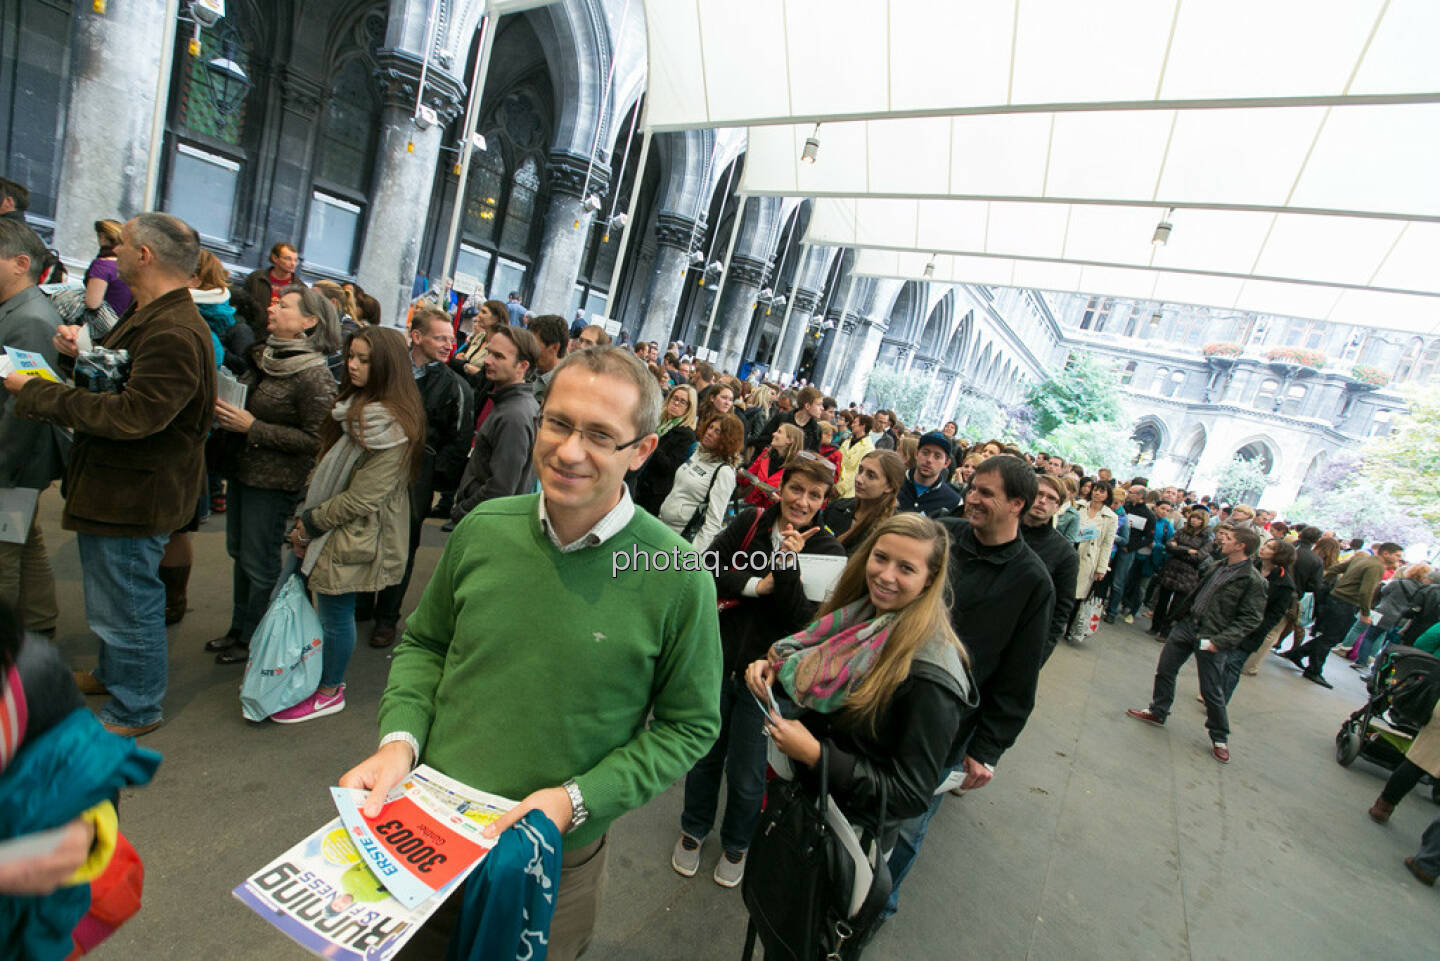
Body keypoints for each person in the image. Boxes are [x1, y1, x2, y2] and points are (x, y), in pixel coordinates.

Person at [339, 345, 722, 961]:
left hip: (550, 868)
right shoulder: (484, 528)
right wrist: (398, 743)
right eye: (560, 423)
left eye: (601, 435)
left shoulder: (676, 576)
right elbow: (427, 644)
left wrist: (575, 801)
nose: (570, 451)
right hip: (420, 831)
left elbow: (689, 726)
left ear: (642, 451)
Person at [5, 212, 215, 737]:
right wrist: (84, 357)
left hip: (135, 491)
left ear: (144, 255)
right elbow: (126, 382)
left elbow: (135, 415)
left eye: (121, 247)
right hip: (122, 486)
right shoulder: (155, 315)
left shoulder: (172, 328)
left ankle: (136, 707)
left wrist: (35, 392)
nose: (111, 256)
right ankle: (114, 676)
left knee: (127, 606)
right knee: (113, 602)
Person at [744, 513, 975, 862]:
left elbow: (910, 794)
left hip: (848, 840)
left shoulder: (931, 675)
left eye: (906, 568)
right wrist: (775, 667)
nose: (886, 575)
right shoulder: (859, 614)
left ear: (930, 580)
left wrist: (817, 756)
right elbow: (814, 665)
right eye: (880, 558)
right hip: (805, 808)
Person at [884, 455, 1053, 917]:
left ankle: (876, 907)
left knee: (907, 826)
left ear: (1018, 504)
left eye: (985, 493)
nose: (971, 499)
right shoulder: (944, 534)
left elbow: (1020, 676)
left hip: (945, 728)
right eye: (971, 488)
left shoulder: (1032, 581)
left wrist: (989, 748)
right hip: (886, 694)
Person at [673, 454, 845, 888]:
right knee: (704, 756)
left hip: (767, 681)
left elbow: (801, 622)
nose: (802, 501)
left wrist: (786, 567)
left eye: (814, 495)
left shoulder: (828, 552)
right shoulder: (750, 520)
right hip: (718, 660)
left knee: (748, 773)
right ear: (781, 487)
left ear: (824, 501)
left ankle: (736, 844)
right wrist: (756, 585)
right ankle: (693, 829)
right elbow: (708, 569)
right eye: (796, 489)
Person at [269, 327, 423, 723]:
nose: (352, 366)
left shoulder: (392, 426)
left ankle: (329, 689)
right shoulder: (354, 406)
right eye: (350, 356)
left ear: (386, 367)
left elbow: (363, 498)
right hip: (330, 525)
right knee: (297, 598)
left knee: (335, 613)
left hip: (355, 532)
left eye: (364, 359)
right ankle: (290, 674)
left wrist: (308, 525)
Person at [208, 286, 340, 664]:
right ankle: (238, 629)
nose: (273, 308)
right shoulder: (268, 356)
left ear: (309, 322)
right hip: (244, 470)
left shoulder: (314, 374)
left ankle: (254, 638)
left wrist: (253, 426)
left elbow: (317, 439)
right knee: (239, 552)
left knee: (259, 561)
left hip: (276, 480)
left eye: (283, 305)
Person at [363, 307, 474, 649]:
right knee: (368, 531)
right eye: (440, 337)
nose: (448, 345)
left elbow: (458, 438)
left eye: (451, 339)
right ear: (417, 337)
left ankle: (387, 617)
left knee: (404, 543)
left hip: (417, 475)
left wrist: (433, 476)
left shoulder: (454, 385)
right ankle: (363, 600)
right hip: (376, 466)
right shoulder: (389, 373)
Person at [1126, 525, 1268, 764]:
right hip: (1187, 626)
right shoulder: (1218, 566)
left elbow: (1251, 619)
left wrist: (1220, 641)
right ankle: (1158, 711)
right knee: (1165, 670)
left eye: (1229, 538)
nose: (1222, 540)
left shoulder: (1252, 580)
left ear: (1241, 546)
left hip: (1212, 637)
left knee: (1212, 689)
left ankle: (1219, 737)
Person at [0, 219, 68, 639]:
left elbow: (26, 404)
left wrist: (3, 465)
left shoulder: (29, 319)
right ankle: (40, 625)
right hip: (16, 461)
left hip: (12, 460)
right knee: (23, 543)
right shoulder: (18, 311)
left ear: (20, 263)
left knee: (4, 556)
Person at [450, 325, 541, 525]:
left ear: (522, 366)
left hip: (485, 523)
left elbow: (500, 488)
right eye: (489, 353)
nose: (488, 360)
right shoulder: (511, 405)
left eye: (499, 356)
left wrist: (462, 512)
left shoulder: (514, 415)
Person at [1283, 542, 1403, 688]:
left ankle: (1298, 654)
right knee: (1332, 637)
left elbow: (1335, 569)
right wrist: (1365, 613)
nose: (1399, 558)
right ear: (1386, 553)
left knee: (1330, 636)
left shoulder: (1362, 559)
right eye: (1397, 555)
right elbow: (1366, 591)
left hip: (1336, 598)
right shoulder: (1376, 566)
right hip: (1346, 603)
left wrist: (1327, 585)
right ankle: (1313, 669)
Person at [658, 412, 745, 552]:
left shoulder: (724, 472)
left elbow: (713, 523)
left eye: (717, 431)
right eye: (710, 427)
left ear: (728, 439)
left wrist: (691, 556)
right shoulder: (698, 453)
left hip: (680, 540)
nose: (709, 432)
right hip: (662, 524)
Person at [1021, 475, 1079, 664]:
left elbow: (1061, 610)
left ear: (1058, 506)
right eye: (1038, 494)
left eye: (1051, 498)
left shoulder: (1065, 554)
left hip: (1024, 639)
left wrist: (1040, 656)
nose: (1043, 501)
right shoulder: (1002, 529)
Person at [1230, 538, 1297, 686]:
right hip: (1230, 621)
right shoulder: (1250, 565)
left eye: (1270, 548)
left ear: (1280, 555)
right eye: (1265, 545)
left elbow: (1274, 615)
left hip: (1252, 630)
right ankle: (1211, 694)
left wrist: (1256, 634)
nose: (1263, 548)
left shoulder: (1284, 583)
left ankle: (1217, 702)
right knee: (1219, 662)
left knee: (1233, 665)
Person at [1065, 479, 1118, 646]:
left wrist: (1102, 568)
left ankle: (1069, 629)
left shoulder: (1110, 517)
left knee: (1078, 596)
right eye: (1095, 489)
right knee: (1062, 589)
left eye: (1102, 491)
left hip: (1089, 558)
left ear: (1107, 495)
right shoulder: (1079, 506)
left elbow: (1107, 544)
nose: (1097, 493)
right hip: (1071, 551)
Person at [822, 449, 904, 555]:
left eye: (871, 476)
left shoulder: (893, 528)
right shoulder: (836, 507)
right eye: (860, 470)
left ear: (890, 486)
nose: (859, 479)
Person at [633, 385, 699, 515]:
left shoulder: (686, 434)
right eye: (674, 398)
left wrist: (652, 442)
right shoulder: (658, 422)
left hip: (654, 491)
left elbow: (670, 467)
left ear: (689, 408)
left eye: (682, 401)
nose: (676, 403)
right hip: (639, 477)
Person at [1149, 507, 1213, 638]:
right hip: (1171, 570)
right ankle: (1155, 626)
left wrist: (1178, 549)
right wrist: (1187, 550)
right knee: (1162, 601)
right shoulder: (1182, 531)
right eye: (1193, 517)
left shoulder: (1206, 539)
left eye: (1198, 519)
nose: (1194, 520)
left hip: (1188, 575)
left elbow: (1199, 557)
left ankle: (1165, 632)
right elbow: (1169, 546)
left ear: (1203, 521)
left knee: (1176, 606)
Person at [1104, 484, 1156, 624]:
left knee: (1118, 582)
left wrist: (1130, 547)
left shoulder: (1149, 515)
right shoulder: (1124, 508)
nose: (1128, 494)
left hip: (1127, 551)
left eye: (1131, 492)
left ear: (1140, 496)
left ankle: (1112, 611)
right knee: (1105, 576)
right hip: (1112, 546)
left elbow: (1149, 538)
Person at [238, 242, 304, 335]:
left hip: (280, 336)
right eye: (288, 259)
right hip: (254, 332)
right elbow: (243, 305)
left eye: (295, 260)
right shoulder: (256, 278)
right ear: (275, 258)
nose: (293, 264)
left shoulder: (299, 287)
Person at [896, 431, 961, 518]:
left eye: (937, 456)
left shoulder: (953, 502)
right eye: (925, 453)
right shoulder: (893, 482)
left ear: (946, 463)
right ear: (916, 454)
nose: (929, 460)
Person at [737, 422, 802, 509]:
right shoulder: (766, 454)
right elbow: (746, 481)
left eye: (779, 432)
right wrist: (741, 475)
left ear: (789, 440)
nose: (773, 434)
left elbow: (796, 501)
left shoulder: (796, 469)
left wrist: (779, 500)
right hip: (751, 508)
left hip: (772, 513)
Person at [83, 219, 133, 319]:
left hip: (106, 324)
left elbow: (92, 303)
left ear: (101, 236)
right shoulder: (129, 263)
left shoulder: (102, 265)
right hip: (123, 321)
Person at [755, 385, 823, 452]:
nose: (822, 408)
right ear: (807, 406)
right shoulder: (782, 417)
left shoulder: (816, 430)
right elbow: (762, 441)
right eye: (819, 404)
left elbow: (813, 456)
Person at [528, 313, 569, 403]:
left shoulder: (563, 387)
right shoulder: (530, 370)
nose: (529, 349)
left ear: (554, 347)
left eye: (534, 344)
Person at [835, 413, 875, 497]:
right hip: (833, 483)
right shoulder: (848, 440)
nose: (852, 425)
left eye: (855, 423)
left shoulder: (868, 448)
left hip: (846, 493)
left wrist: (839, 489)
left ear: (863, 426)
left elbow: (857, 472)